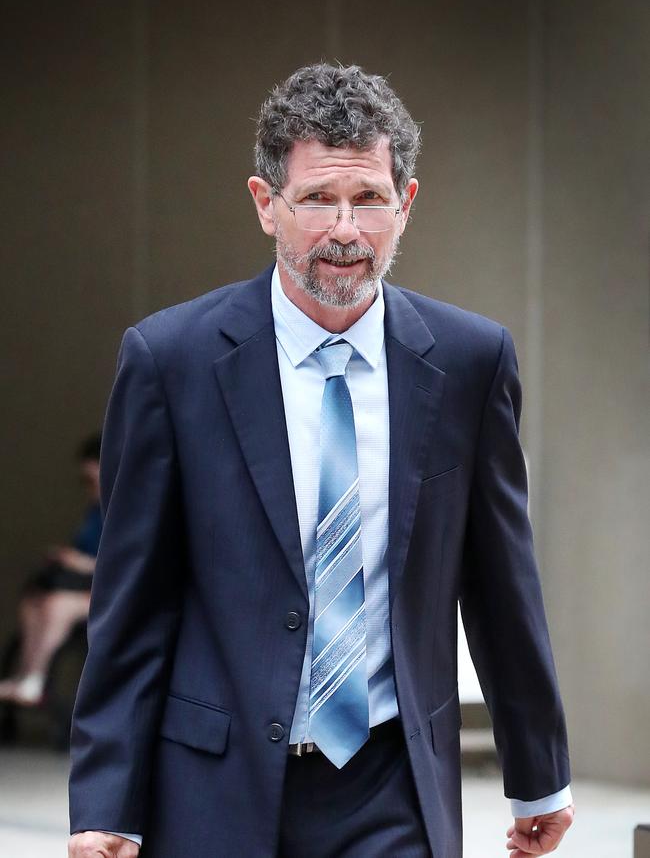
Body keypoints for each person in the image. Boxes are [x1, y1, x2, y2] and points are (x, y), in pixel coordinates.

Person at [68, 64, 574, 858]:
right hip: (214, 791)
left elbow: (503, 582)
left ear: (405, 206)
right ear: (266, 205)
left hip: (393, 786)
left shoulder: (472, 361)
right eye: (316, 199)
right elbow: (132, 604)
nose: (345, 229)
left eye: (369, 199)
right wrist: (105, 802)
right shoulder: (173, 361)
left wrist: (539, 771)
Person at [0, 433, 102, 707]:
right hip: (80, 585)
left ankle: (35, 678)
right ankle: (25, 675)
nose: (89, 487)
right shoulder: (93, 512)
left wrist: (80, 562)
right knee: (35, 597)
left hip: (102, 591)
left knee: (57, 605)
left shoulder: (124, 510)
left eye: (92, 480)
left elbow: (120, 562)